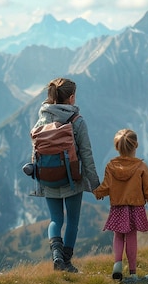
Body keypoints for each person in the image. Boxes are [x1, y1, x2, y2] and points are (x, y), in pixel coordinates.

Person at [32, 77, 100, 272]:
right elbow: (86, 154)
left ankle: (56, 256)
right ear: (71, 98)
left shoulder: (42, 119)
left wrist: (39, 182)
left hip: (48, 179)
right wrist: (94, 184)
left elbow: (36, 152)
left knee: (55, 220)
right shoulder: (77, 121)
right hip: (73, 180)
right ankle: (67, 262)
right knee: (72, 221)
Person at [93, 128, 148, 280]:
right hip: (135, 207)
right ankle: (132, 272)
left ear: (117, 147)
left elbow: (106, 187)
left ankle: (117, 263)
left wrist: (97, 192)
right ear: (136, 145)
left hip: (117, 207)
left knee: (118, 236)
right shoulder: (141, 167)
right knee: (131, 237)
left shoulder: (111, 166)